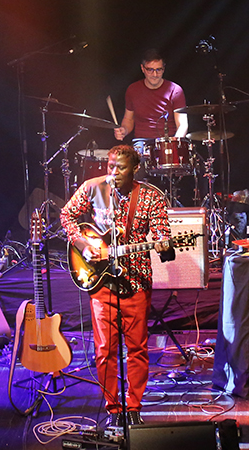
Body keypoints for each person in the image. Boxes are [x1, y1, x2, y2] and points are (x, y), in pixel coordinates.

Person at [60, 144, 174, 427]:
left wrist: (165, 245)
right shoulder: (93, 187)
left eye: (121, 168)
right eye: (110, 166)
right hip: (100, 281)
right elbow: (67, 215)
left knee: (137, 348)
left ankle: (133, 406)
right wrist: (82, 244)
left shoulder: (151, 196)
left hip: (136, 280)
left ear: (135, 169)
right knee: (104, 350)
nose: (113, 173)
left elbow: (162, 234)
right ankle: (113, 408)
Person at [113, 50, 188, 170]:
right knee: (135, 165)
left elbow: (183, 124)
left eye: (159, 70)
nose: (155, 74)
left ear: (164, 69)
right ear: (142, 68)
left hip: (167, 141)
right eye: (150, 70)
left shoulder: (175, 90)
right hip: (141, 142)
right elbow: (128, 119)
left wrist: (174, 144)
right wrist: (124, 130)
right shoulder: (132, 90)